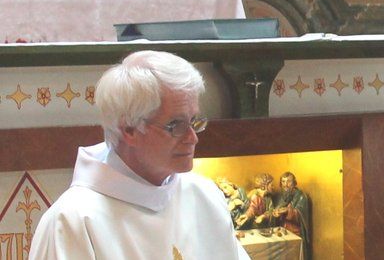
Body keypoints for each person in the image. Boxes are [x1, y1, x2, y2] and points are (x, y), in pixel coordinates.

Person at [27, 51, 250, 260]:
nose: (193, 137)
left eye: (194, 121)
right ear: (129, 129)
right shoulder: (74, 220)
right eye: (176, 125)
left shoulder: (204, 195)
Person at [274, 172, 313, 258]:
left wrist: (288, 212)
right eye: (283, 181)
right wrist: (276, 212)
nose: (285, 185)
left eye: (289, 181)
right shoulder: (283, 196)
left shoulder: (301, 196)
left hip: (295, 233)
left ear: (294, 183)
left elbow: (300, 215)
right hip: (283, 232)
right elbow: (278, 208)